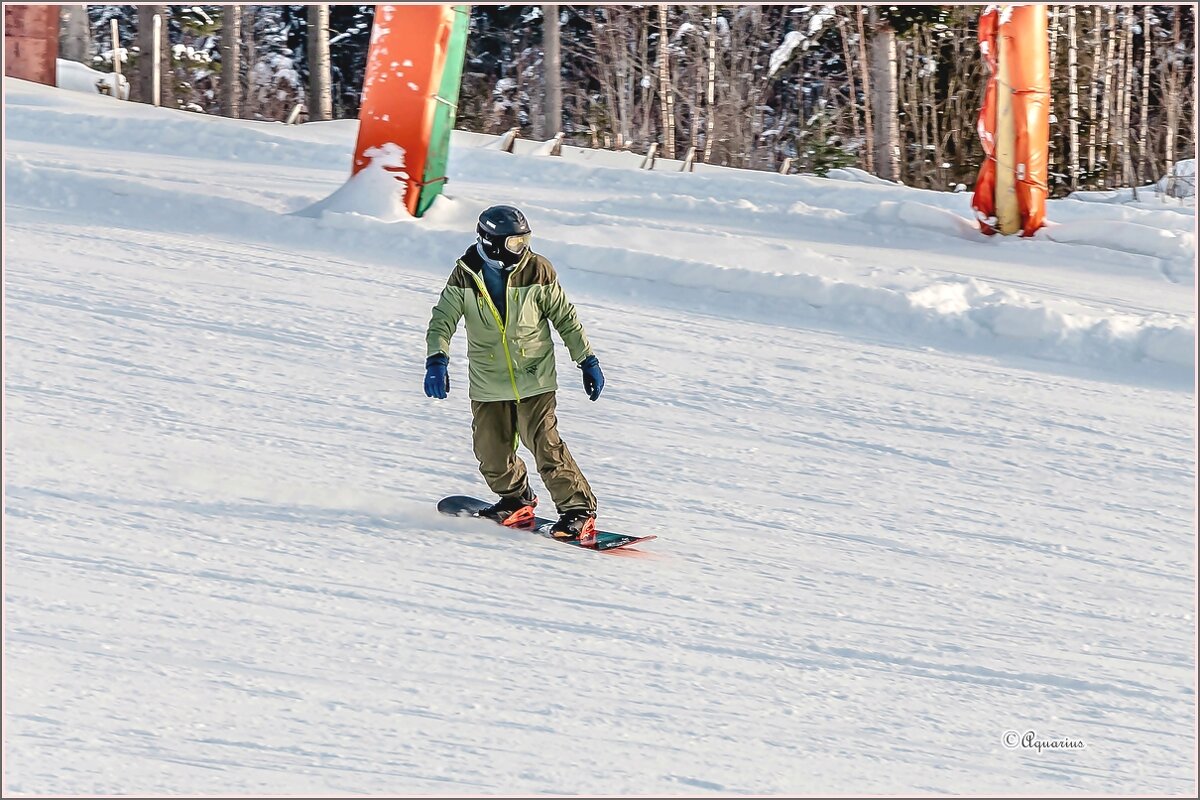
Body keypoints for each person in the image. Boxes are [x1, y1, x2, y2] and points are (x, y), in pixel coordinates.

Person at [424, 205, 605, 543]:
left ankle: (578, 510)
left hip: (534, 376)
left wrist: (586, 360)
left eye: (525, 240)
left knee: (545, 445)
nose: (522, 249)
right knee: (490, 450)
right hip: (488, 379)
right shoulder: (465, 274)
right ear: (491, 242)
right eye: (514, 243)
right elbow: (442, 319)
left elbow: (565, 317)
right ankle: (515, 499)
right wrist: (437, 358)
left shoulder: (537, 269)